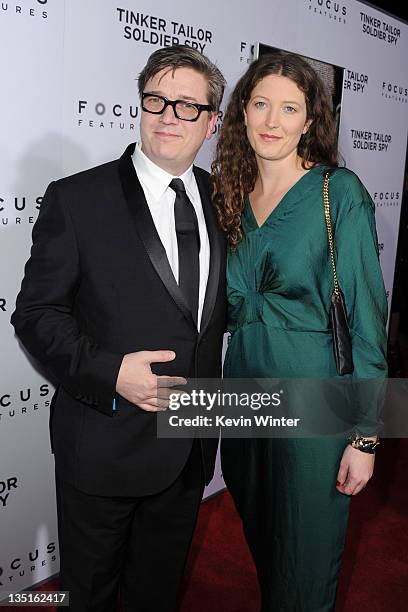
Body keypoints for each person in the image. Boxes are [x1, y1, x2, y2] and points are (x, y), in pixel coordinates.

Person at [11, 45, 226, 612]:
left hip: (188, 447)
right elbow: (35, 315)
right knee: (92, 596)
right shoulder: (78, 199)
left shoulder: (220, 201)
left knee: (157, 593)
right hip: (103, 445)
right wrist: (111, 374)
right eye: (155, 99)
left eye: (186, 106)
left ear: (211, 121)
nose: (166, 116)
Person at [211, 50, 387, 611]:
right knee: (264, 537)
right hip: (243, 393)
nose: (272, 121)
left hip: (314, 397)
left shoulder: (341, 192)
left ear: (310, 121)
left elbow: (367, 326)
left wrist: (365, 437)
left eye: (290, 109)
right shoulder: (230, 196)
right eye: (260, 104)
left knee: (306, 557)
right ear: (242, 112)